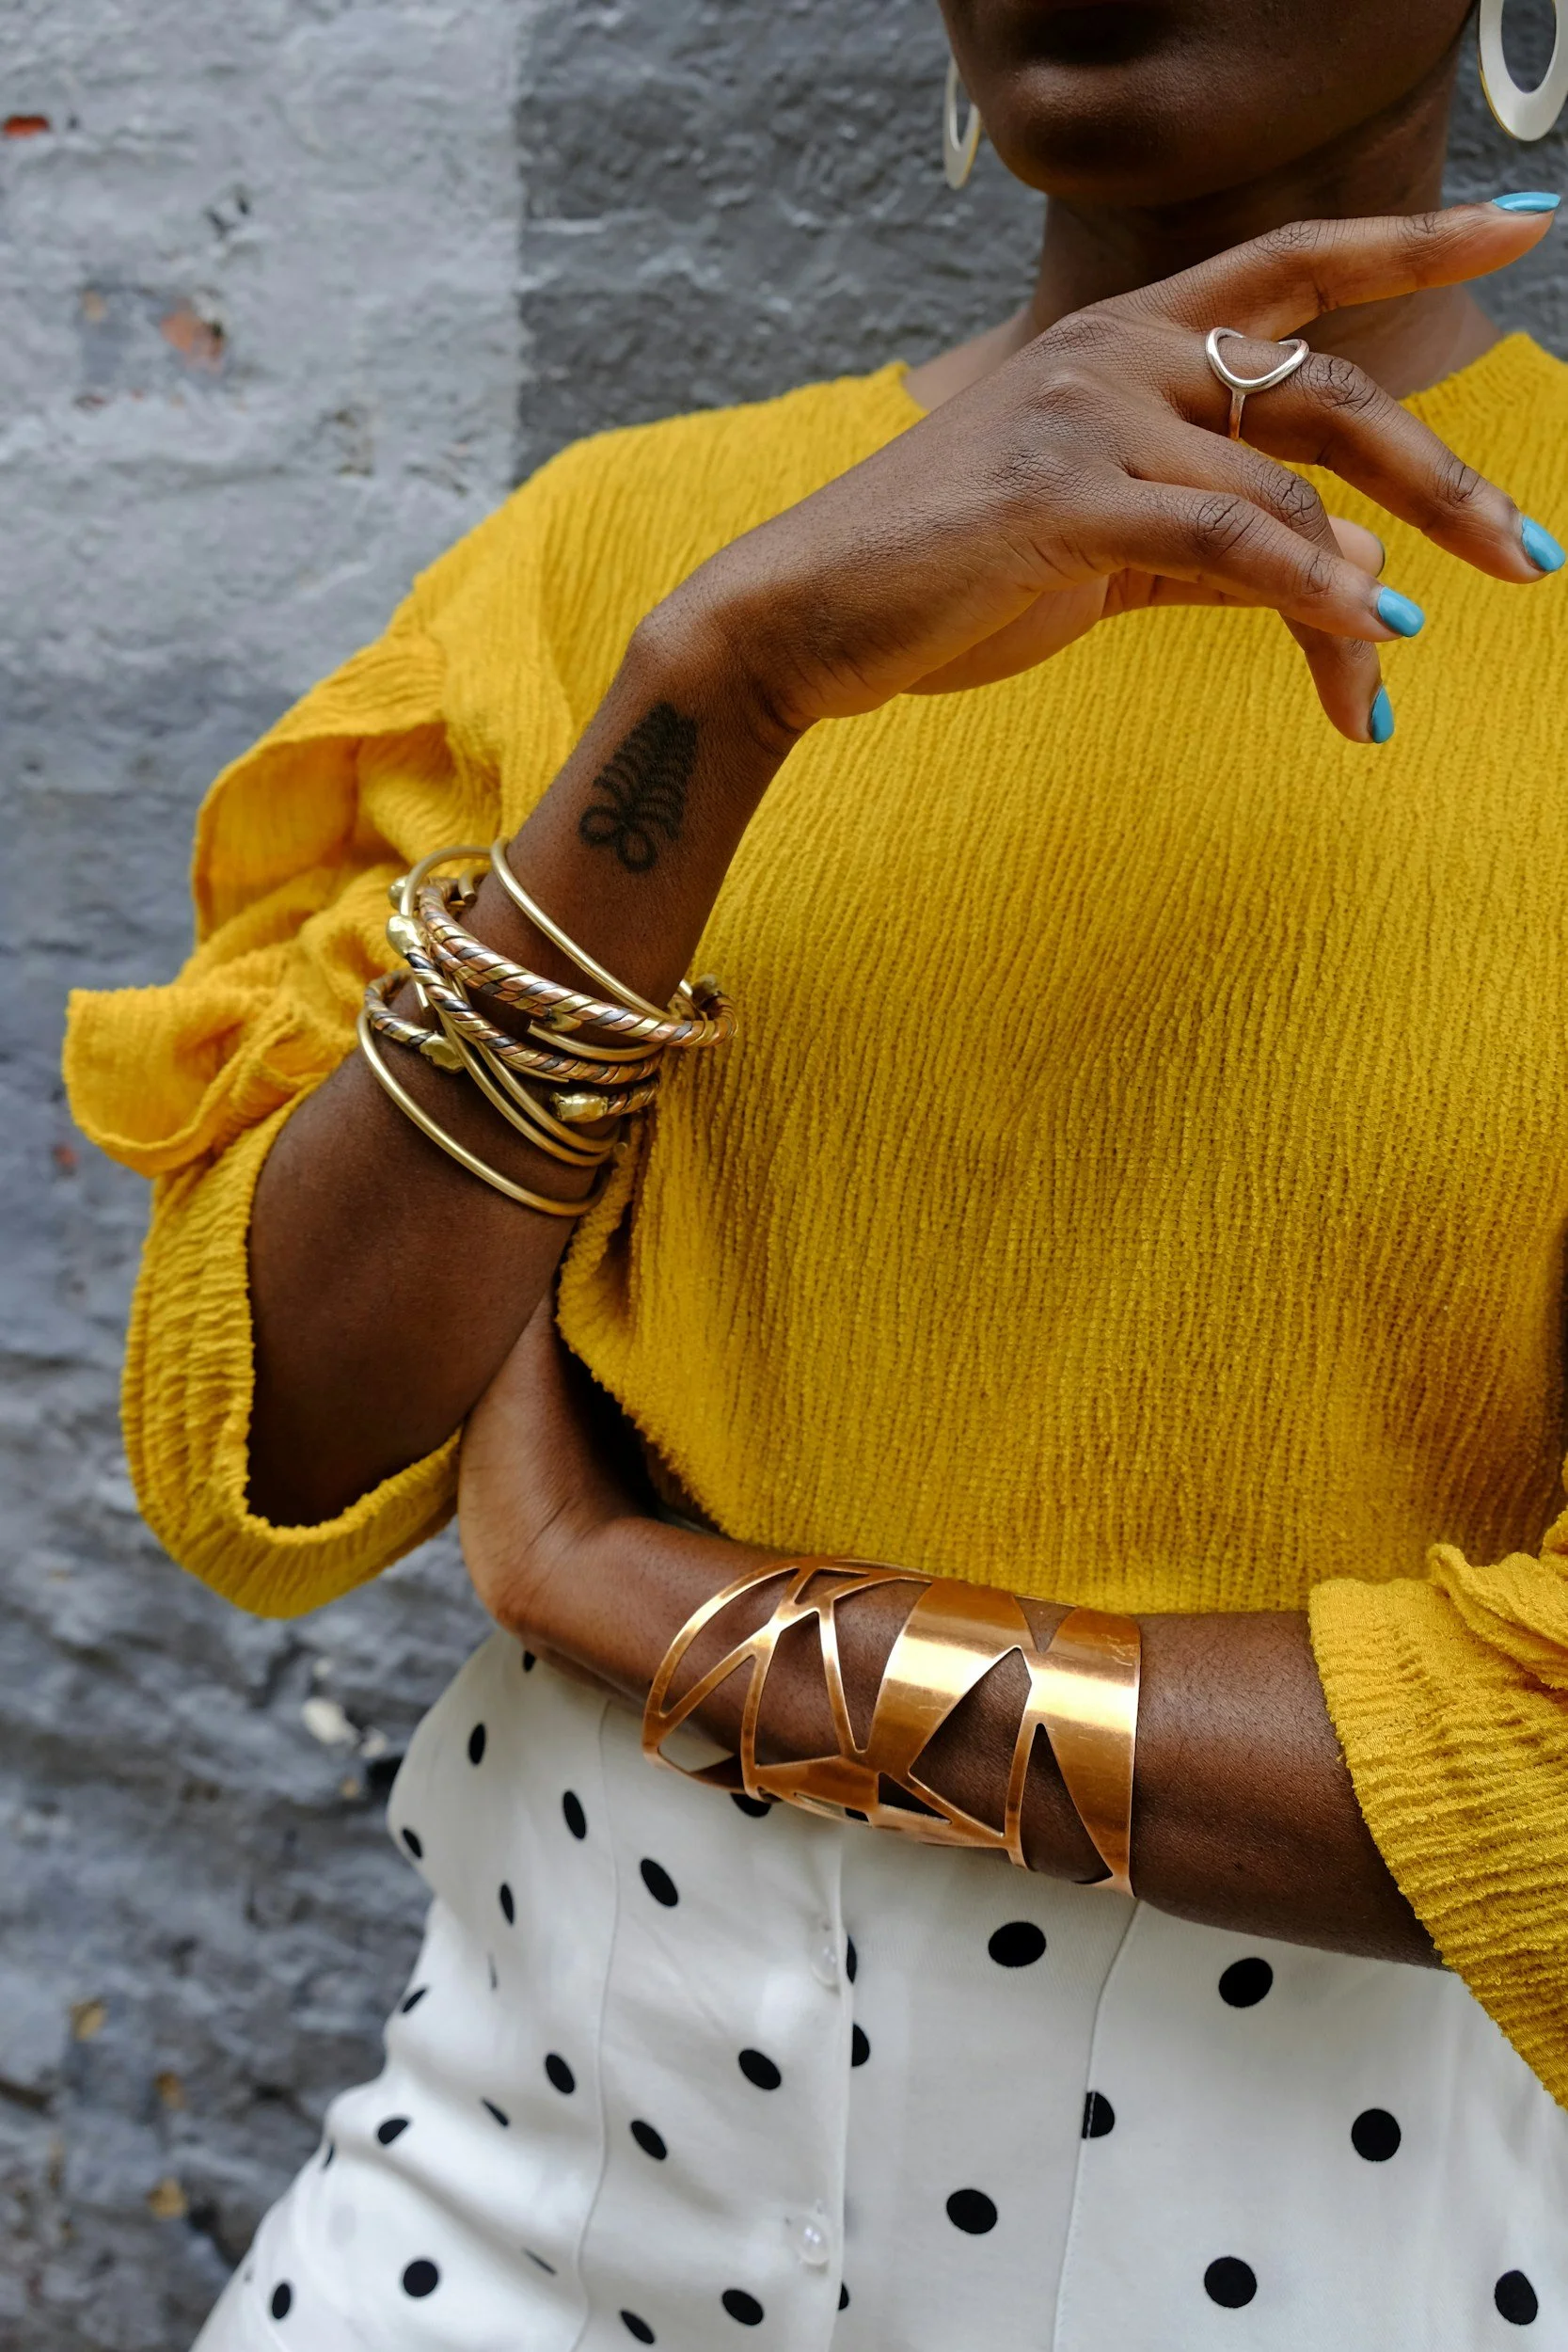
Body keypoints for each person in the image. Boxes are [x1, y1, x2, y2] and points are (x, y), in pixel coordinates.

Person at [62, 0, 1568, 2342]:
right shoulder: (621, 559)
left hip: (1318, 2241)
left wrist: (668, 1616)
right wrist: (717, 688)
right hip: (509, 2181)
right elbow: (262, 1440)